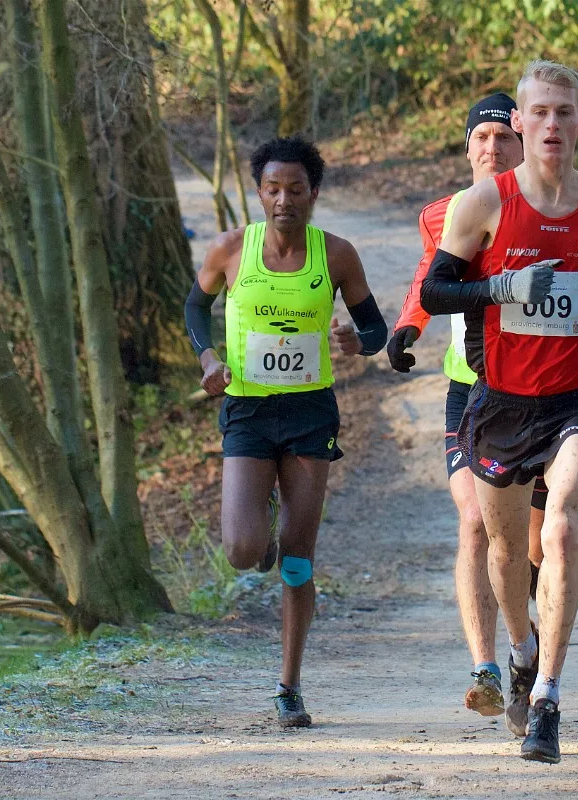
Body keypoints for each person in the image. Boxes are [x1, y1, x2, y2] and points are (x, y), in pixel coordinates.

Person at [420, 60, 578, 763]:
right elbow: (435, 292)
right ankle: (520, 651)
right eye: (540, 113)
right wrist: (502, 288)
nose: (553, 124)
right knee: (502, 550)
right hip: (501, 404)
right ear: (520, 123)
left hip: (576, 401)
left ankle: (548, 695)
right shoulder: (481, 204)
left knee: (561, 528)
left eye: (565, 111)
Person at [184, 137, 388, 728]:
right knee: (243, 552)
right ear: (259, 193)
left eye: (296, 189)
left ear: (313, 194)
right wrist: (208, 360)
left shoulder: (337, 255)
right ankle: (264, 520)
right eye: (273, 189)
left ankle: (289, 686)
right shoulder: (230, 249)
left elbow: (375, 329)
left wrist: (356, 341)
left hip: (308, 414)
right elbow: (195, 308)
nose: (284, 200)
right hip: (248, 410)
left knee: (298, 562)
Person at [385, 93, 550, 717]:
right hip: (469, 390)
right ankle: (485, 667)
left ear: (523, 143)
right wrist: (408, 326)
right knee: (476, 520)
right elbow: (430, 276)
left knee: (531, 547)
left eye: (504, 137)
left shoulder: (552, 207)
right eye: (481, 137)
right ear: (466, 147)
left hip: (540, 391)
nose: (492, 148)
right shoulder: (443, 214)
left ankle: (525, 644)